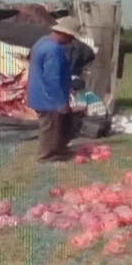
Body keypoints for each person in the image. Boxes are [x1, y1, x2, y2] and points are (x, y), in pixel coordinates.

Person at [27, 16, 79, 162]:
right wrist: (60, 102)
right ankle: (46, 155)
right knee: (49, 127)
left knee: (55, 125)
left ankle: (58, 149)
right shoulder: (54, 50)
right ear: (65, 34)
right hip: (48, 96)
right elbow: (53, 78)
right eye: (71, 37)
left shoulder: (42, 42)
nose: (71, 40)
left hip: (39, 91)